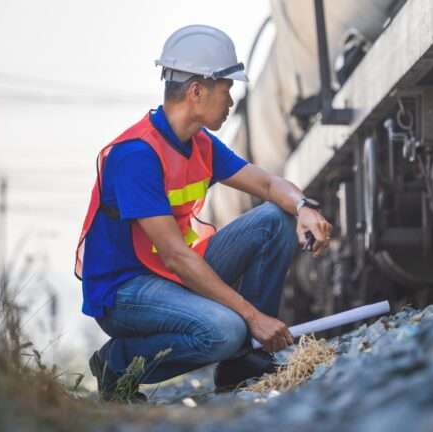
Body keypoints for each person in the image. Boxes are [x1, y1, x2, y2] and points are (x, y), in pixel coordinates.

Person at [74, 24, 333, 401]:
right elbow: (177, 257)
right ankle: (117, 362)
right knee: (226, 331)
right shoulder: (135, 155)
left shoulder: (200, 145)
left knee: (274, 220)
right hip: (125, 290)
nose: (231, 102)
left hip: (168, 272)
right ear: (197, 91)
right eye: (227, 90)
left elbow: (266, 186)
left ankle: (246, 363)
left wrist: (303, 206)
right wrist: (253, 317)